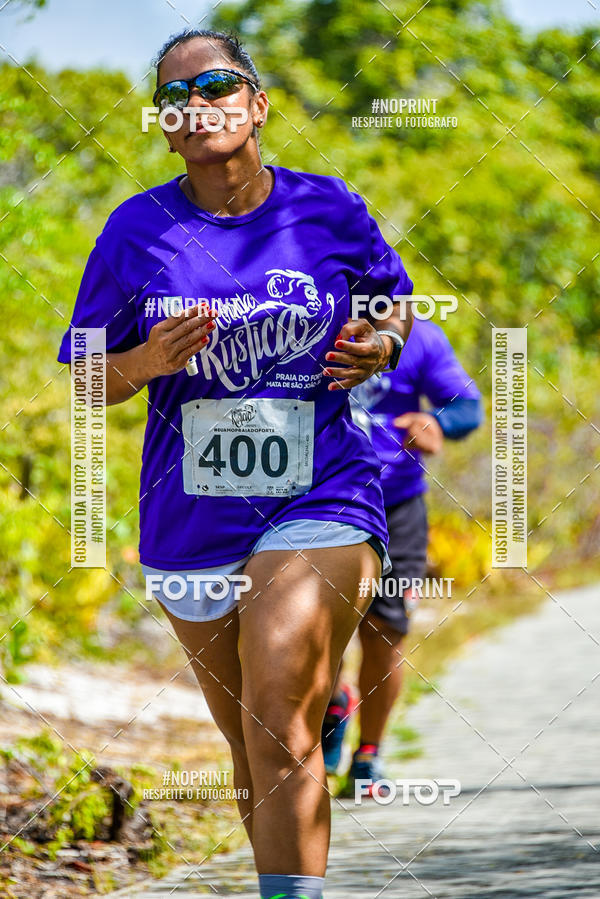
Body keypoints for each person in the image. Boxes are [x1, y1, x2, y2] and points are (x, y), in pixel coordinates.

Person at [57, 29, 414, 899]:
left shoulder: (329, 208)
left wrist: (382, 345)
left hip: (324, 489)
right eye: (176, 96)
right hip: (191, 518)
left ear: (256, 104)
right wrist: (147, 361)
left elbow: (392, 305)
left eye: (217, 82)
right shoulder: (136, 229)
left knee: (281, 707)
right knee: (257, 736)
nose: (197, 102)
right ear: (167, 128)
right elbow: (85, 379)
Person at [321, 317, 482, 793]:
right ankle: (333, 705)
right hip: (317, 500)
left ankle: (368, 755)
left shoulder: (422, 337)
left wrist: (438, 422)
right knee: (314, 620)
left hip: (397, 505)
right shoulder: (303, 321)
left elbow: (468, 408)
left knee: (385, 629)